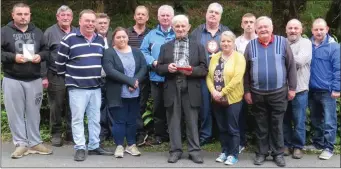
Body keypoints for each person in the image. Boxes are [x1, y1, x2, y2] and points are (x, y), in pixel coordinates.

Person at [56, 9, 113, 161]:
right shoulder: (69, 39)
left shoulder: (100, 40)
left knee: (95, 118)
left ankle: (94, 146)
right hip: (77, 88)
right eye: (86, 21)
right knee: (77, 119)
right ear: (80, 21)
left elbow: (103, 63)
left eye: (92, 21)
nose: (90, 24)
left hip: (95, 87)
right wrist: (73, 78)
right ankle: (80, 147)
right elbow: (60, 65)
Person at [243, 16, 297, 167]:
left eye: (266, 26)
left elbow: (291, 66)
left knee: (277, 124)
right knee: (261, 125)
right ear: (256, 29)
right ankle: (261, 153)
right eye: (260, 27)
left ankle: (278, 153)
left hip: (279, 92)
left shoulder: (282, 42)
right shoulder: (251, 45)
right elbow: (245, 71)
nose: (263, 29)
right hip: (257, 93)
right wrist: (246, 91)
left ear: (272, 28)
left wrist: (292, 88)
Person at [1, 2, 52, 159]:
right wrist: (13, 57)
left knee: (34, 112)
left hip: (34, 79)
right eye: (20, 14)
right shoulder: (4, 31)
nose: (23, 17)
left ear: (30, 15)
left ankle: (35, 142)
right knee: (15, 113)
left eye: (26, 14)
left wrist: (40, 56)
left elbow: (46, 51)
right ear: (13, 15)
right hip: (12, 79)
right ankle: (21, 144)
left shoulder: (37, 32)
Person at [156, 14, 207, 164]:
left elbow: (204, 69)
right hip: (172, 86)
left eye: (183, 26)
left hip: (190, 85)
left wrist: (192, 70)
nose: (180, 28)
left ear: (188, 27)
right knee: (173, 121)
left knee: (192, 121)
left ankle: (194, 151)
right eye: (177, 26)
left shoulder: (198, 46)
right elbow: (158, 68)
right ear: (173, 28)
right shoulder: (165, 47)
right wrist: (167, 68)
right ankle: (175, 150)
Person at [102, 27, 147, 158]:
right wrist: (130, 81)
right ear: (113, 39)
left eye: (124, 36)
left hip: (134, 93)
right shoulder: (109, 53)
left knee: (132, 120)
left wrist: (135, 81)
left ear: (128, 38)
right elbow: (110, 71)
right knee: (119, 121)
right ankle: (119, 145)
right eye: (118, 37)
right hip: (117, 93)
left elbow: (143, 67)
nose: (121, 39)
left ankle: (131, 145)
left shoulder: (137, 52)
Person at [190, 2, 230, 146]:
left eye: (216, 13)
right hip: (202, 75)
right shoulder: (197, 32)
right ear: (206, 14)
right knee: (204, 106)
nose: (213, 14)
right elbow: (191, 52)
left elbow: (232, 51)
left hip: (222, 76)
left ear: (220, 16)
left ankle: (222, 133)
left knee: (222, 105)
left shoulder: (225, 31)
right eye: (210, 12)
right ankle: (205, 135)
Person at [207, 31, 245, 165]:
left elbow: (237, 79)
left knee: (232, 128)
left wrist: (222, 92)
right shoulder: (215, 57)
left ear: (234, 43)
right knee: (222, 127)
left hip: (232, 99)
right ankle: (224, 151)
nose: (226, 43)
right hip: (216, 99)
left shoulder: (239, 57)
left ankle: (233, 154)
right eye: (223, 41)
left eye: (229, 41)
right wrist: (213, 91)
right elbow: (209, 77)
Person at [140, 4, 175, 145]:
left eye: (168, 15)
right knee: (158, 108)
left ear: (172, 17)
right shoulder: (151, 35)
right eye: (163, 15)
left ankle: (175, 135)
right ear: (158, 17)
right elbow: (143, 51)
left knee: (174, 108)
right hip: (156, 77)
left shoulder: (177, 32)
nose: (165, 18)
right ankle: (160, 135)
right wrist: (152, 62)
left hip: (174, 78)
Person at [308, 18, 340, 160]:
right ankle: (318, 143)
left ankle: (329, 147)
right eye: (316, 29)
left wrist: (337, 88)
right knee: (315, 119)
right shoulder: (308, 44)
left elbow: (338, 69)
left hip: (328, 91)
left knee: (329, 121)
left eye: (321, 29)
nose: (319, 32)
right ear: (312, 30)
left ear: (327, 29)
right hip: (312, 89)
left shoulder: (334, 47)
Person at [44, 5, 75, 147]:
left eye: (68, 15)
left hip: (75, 75)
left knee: (73, 106)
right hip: (56, 75)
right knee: (56, 106)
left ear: (72, 18)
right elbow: (43, 55)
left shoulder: (76, 32)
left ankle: (70, 134)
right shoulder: (50, 32)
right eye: (63, 15)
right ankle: (56, 134)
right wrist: (43, 76)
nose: (66, 17)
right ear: (57, 17)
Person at [283, 19, 312, 159]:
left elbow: (300, 61)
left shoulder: (306, 43)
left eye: (296, 28)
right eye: (290, 28)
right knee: (284, 119)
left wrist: (282, 58)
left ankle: (298, 147)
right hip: (282, 89)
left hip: (300, 89)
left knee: (299, 120)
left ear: (301, 30)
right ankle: (286, 145)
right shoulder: (282, 42)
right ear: (286, 30)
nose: (293, 30)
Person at [127, 5, 151, 146]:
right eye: (138, 14)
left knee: (141, 104)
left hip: (146, 75)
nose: (141, 16)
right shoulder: (127, 32)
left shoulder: (151, 34)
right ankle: (134, 132)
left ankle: (140, 133)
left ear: (147, 17)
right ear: (134, 16)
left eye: (143, 14)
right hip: (128, 75)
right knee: (130, 104)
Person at [234, 12, 257, 153]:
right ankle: (241, 141)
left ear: (255, 24)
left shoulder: (261, 39)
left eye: (251, 22)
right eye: (246, 22)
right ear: (242, 24)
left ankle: (258, 141)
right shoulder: (236, 42)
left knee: (259, 113)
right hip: (241, 83)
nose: (248, 24)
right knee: (240, 114)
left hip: (258, 82)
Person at [94, 12, 114, 144]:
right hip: (97, 77)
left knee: (112, 105)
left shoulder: (114, 37)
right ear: (95, 24)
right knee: (98, 106)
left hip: (112, 78)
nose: (102, 25)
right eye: (100, 23)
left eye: (105, 23)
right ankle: (101, 133)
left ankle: (113, 132)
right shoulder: (92, 38)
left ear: (109, 24)